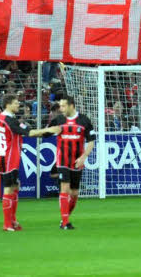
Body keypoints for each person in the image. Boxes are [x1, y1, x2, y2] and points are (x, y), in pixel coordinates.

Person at [0, 95, 59, 231]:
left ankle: (13, 221)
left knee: (16, 185)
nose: (19, 105)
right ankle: (7, 224)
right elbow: (28, 133)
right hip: (8, 156)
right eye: (16, 103)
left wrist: (44, 131)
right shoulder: (8, 121)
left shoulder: (3, 118)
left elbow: (24, 129)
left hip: (6, 155)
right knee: (9, 188)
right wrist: (48, 130)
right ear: (8, 104)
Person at [47, 95, 96, 230]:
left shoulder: (84, 120)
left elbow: (91, 140)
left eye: (63, 106)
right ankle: (65, 222)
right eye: (60, 106)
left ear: (71, 105)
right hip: (62, 160)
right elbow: (47, 132)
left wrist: (84, 157)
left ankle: (65, 218)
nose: (61, 109)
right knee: (65, 189)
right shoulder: (58, 120)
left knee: (74, 194)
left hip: (77, 161)